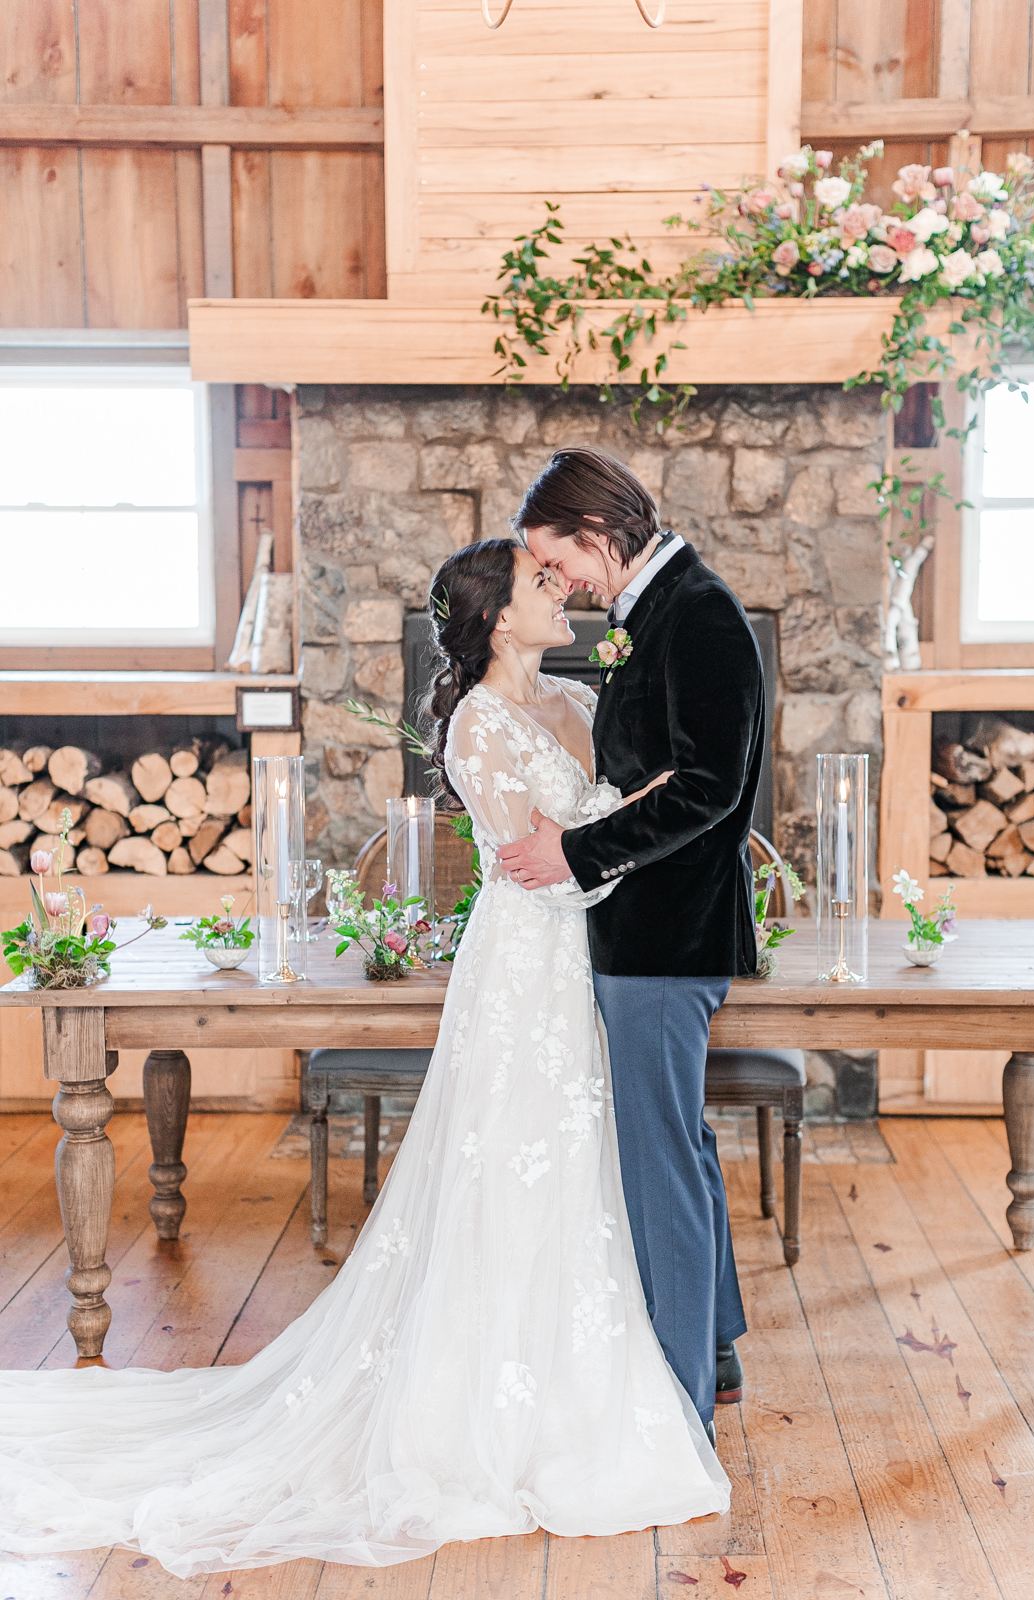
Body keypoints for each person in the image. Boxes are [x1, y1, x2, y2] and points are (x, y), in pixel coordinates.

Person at [0, 538, 728, 1579]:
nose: (558, 587)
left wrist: (638, 818)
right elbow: (543, 870)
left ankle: (580, 1377)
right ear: (491, 618)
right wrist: (639, 834)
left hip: (583, 971)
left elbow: (608, 818)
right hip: (529, 968)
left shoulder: (570, 699)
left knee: (578, 1174)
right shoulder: (478, 727)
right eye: (537, 582)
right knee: (516, 1169)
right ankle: (487, 1410)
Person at [500, 446, 766, 1430]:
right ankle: (718, 1349)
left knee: (655, 1158)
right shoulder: (650, 610)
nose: (552, 580)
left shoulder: (697, 615)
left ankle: (677, 1400)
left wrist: (573, 852)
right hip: (646, 929)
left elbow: (709, 789)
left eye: (554, 559)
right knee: (676, 1146)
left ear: (599, 533)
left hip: (667, 934)